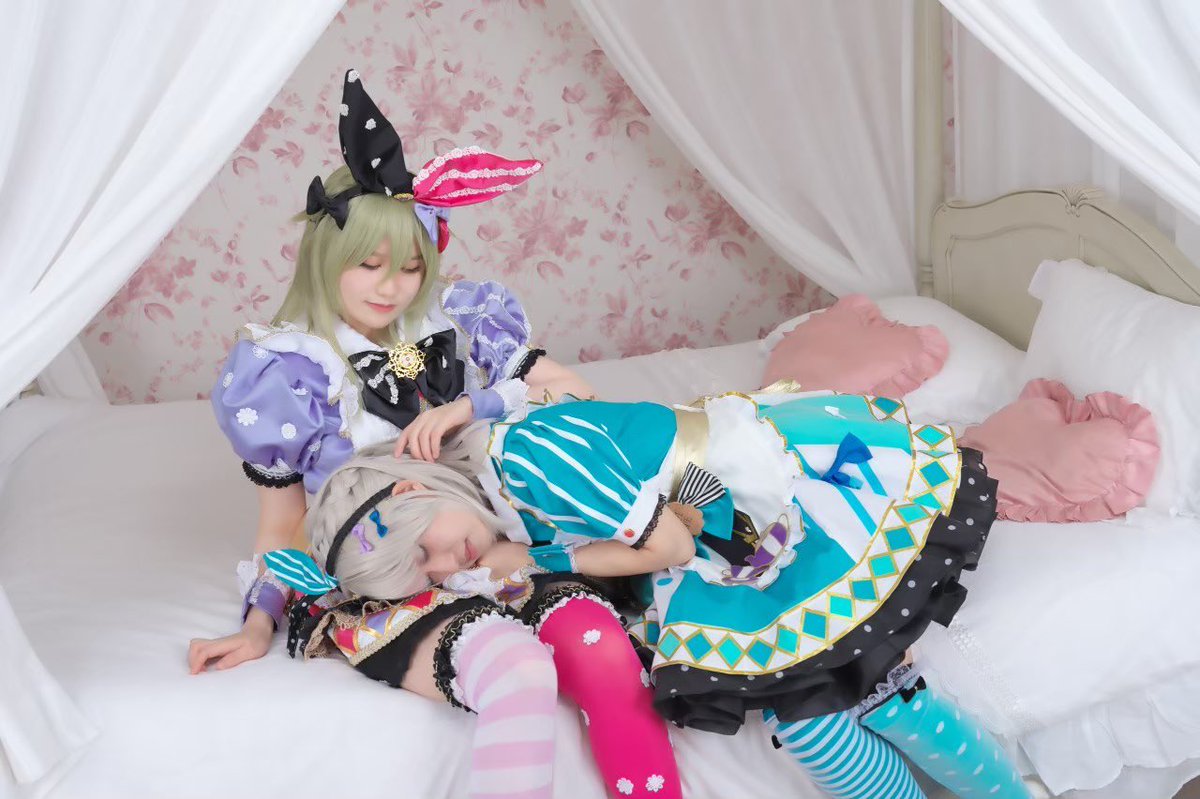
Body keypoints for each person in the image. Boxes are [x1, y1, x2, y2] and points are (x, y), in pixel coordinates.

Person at [190, 69, 682, 799]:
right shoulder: (286, 372)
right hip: (395, 570)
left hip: (500, 534)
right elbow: (284, 526)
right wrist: (259, 622)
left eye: (411, 267)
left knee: (607, 657)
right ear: (327, 259)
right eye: (369, 265)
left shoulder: (459, 320)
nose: (391, 287)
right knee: (518, 672)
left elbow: (578, 398)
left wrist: (471, 407)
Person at [265, 391, 1032, 799]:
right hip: (719, 540)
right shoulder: (495, 492)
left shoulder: (526, 461)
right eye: (428, 575)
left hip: (761, 502)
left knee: (862, 692)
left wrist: (530, 558)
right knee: (811, 723)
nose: (445, 565)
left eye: (425, 546)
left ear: (412, 491)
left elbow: (667, 545)